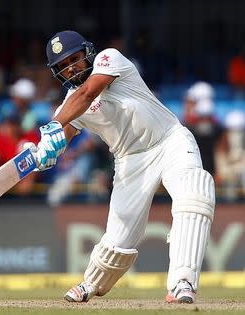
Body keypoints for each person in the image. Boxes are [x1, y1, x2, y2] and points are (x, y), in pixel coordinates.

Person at [28, 30, 215, 304]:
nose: (70, 68)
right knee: (119, 238)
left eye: (75, 59)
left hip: (170, 141)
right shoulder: (68, 106)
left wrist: (53, 127)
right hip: (130, 161)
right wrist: (48, 150)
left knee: (194, 196)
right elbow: (64, 134)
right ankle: (91, 283)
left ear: (87, 53)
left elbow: (88, 93)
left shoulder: (108, 59)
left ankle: (182, 282)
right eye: (62, 66)